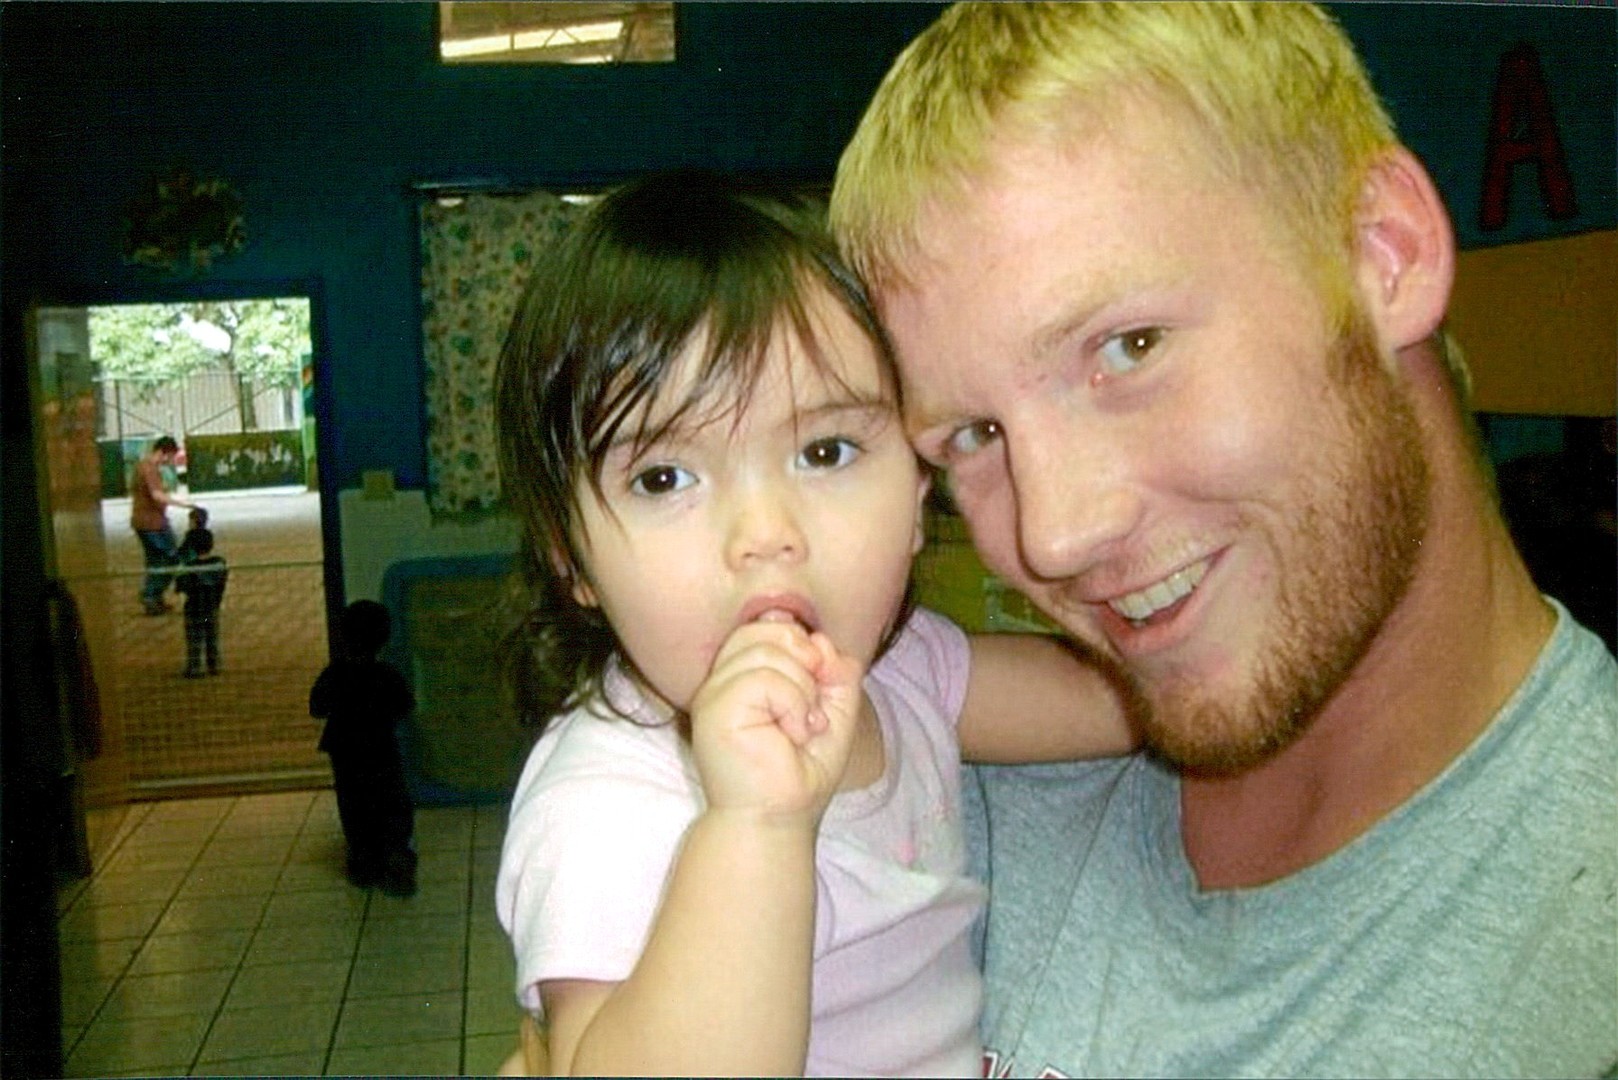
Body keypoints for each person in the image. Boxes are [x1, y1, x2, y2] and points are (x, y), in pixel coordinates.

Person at [828, 3, 1617, 1076]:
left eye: (1129, 348)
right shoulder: (932, 806)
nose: (1054, 536)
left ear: (1384, 255)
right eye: (974, 435)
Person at [491, 171, 1133, 1077]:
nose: (765, 534)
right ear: (573, 560)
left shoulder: (904, 674)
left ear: (918, 493)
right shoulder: (611, 802)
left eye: (826, 451)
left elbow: (1127, 703)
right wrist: (757, 827)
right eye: (664, 479)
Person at [309, 599, 418, 898]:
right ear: (384, 637)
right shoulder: (387, 675)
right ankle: (395, 857)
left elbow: (317, 707)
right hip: (381, 747)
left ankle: (363, 863)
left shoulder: (334, 674)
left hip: (344, 749)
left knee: (353, 805)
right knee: (391, 802)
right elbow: (404, 706)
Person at [129, 435, 197, 615]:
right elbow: (157, 495)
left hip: (146, 521)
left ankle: (154, 598)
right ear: (163, 452)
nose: (170, 461)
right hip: (152, 523)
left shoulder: (143, 466)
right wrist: (184, 504)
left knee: (155, 560)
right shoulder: (149, 469)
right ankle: (150, 595)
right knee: (169, 559)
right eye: (170, 456)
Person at [173, 527, 227, 678]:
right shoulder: (219, 563)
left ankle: (194, 667)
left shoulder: (187, 567)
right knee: (212, 636)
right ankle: (214, 665)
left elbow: (180, 587)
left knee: (194, 638)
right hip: (211, 606)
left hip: (194, 608)